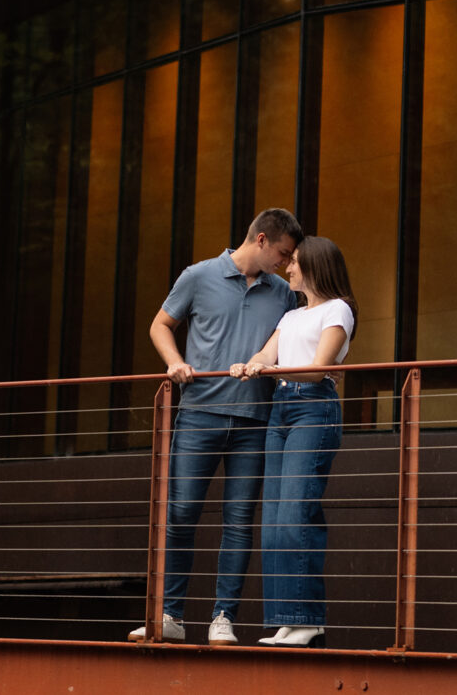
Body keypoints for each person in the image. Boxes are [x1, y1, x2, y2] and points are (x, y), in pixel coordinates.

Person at [130, 208, 305, 645]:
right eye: (283, 254)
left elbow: (291, 342)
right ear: (261, 240)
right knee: (182, 514)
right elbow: (160, 325)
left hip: (254, 421)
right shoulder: (199, 275)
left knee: (240, 521)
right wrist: (174, 362)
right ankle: (168, 615)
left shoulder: (283, 293)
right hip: (198, 414)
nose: (285, 264)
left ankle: (223, 617)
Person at [234, 234, 356, 648]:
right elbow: (265, 358)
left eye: (295, 263)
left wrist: (270, 369)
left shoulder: (338, 309)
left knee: (297, 513)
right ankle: (287, 620)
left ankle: (307, 620)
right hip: (281, 408)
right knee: (274, 520)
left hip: (313, 409)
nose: (288, 269)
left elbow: (320, 368)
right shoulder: (291, 316)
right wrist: (249, 365)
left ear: (315, 266)